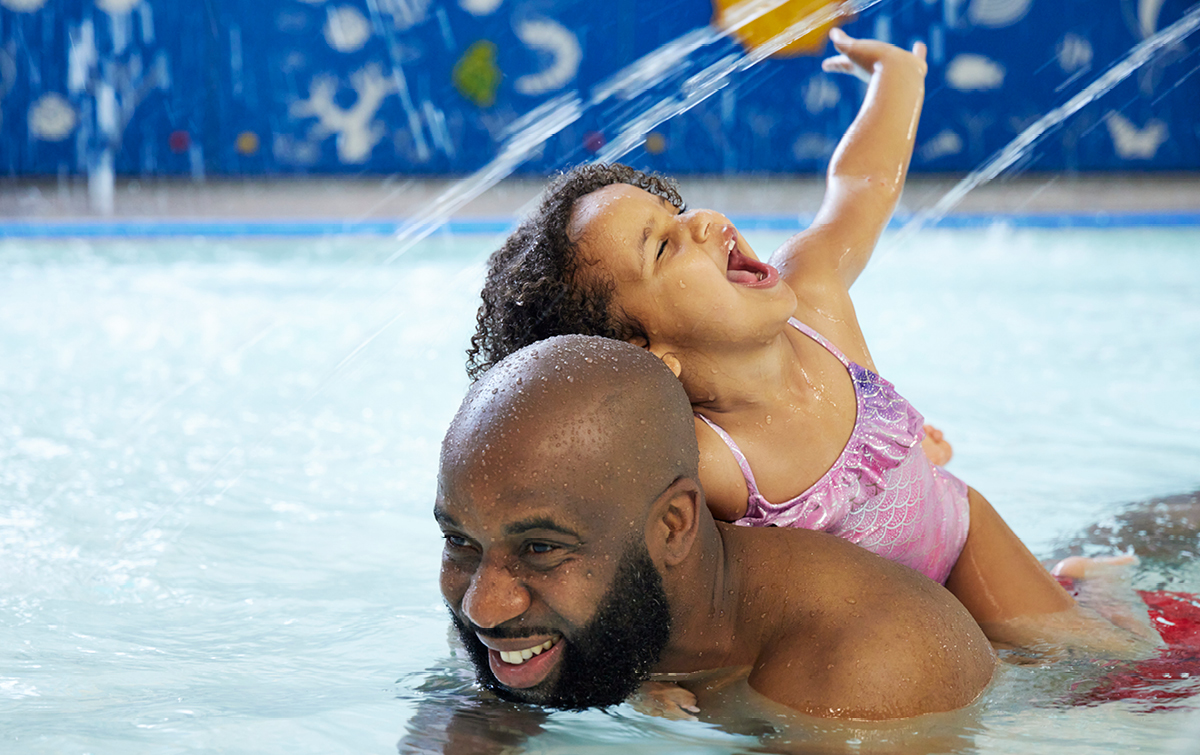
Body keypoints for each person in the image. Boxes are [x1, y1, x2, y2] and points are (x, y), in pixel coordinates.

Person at [464, 28, 1158, 660]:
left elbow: (857, 187)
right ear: (647, 353)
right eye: (666, 246)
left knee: (1105, 662)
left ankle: (1086, 587)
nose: (705, 222)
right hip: (879, 625)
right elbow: (647, 568)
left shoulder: (817, 298)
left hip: (960, 535)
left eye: (677, 210)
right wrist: (655, 674)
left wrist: (898, 83)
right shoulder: (708, 458)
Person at [435, 334, 996, 717]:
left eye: (539, 548)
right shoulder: (534, 618)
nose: (483, 607)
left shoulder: (864, 657)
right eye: (459, 541)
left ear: (673, 527)